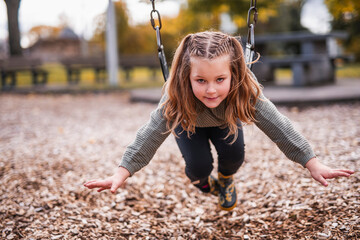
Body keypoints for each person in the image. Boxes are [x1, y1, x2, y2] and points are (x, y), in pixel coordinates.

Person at [84, 31, 354, 211]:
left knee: (235, 157)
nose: (211, 90)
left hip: (225, 121)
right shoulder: (175, 98)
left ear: (234, 73)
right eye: (200, 80)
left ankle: (225, 180)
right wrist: (122, 171)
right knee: (199, 166)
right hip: (188, 124)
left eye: (219, 80)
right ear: (186, 76)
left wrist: (311, 161)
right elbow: (150, 135)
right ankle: (202, 181)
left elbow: (278, 126)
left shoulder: (244, 92)